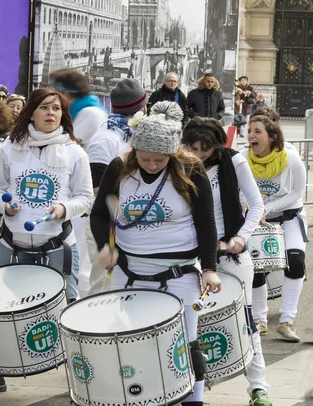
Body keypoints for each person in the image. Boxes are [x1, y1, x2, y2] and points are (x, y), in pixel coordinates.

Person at [90, 102, 221, 406]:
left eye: (159, 160)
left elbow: (206, 222)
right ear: (134, 150)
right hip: (129, 271)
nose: (151, 165)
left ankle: (193, 400)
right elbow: (100, 214)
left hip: (178, 272)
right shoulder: (119, 168)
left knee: (184, 343)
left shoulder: (190, 169)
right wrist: (105, 247)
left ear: (172, 154)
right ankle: (140, 397)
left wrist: (210, 268)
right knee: (130, 342)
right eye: (145, 158)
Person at [0, 88, 94, 395]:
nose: (50, 113)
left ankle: (79, 377)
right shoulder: (9, 148)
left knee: (67, 310)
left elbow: (85, 197)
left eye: (56, 109)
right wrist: (4, 206)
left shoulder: (75, 152)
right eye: (44, 107)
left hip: (58, 245)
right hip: (12, 243)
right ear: (30, 112)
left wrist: (64, 208)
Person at [182, 118, 272, 406]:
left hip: (230, 251)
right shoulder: (178, 163)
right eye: (192, 148)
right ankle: (190, 389)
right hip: (192, 255)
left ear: (216, 146)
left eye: (204, 150)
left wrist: (242, 237)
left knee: (244, 321)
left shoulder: (234, 162)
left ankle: (259, 388)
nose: (197, 155)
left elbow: (256, 204)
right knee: (190, 325)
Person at [242, 114, 307, 342]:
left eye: (257, 131)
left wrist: (267, 207)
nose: (251, 135)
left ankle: (287, 321)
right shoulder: (242, 157)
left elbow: (298, 193)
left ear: (271, 137)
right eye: (250, 130)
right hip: (257, 217)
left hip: (289, 216)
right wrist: (250, 207)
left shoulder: (290, 158)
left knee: (296, 261)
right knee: (257, 266)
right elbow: (237, 189)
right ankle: (259, 320)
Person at [49, 68, 108, 298]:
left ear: (66, 92)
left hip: (84, 194)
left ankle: (78, 300)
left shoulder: (90, 114)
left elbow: (64, 146)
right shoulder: (82, 110)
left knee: (79, 252)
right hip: (74, 192)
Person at [87, 78, 147, 294]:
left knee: (124, 283)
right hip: (109, 221)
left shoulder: (130, 135)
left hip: (130, 220)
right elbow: (96, 187)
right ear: (141, 107)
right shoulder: (107, 138)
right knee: (104, 284)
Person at [49, 68, 108, 148]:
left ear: (64, 93)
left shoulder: (91, 114)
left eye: (55, 94)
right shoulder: (80, 111)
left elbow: (63, 148)